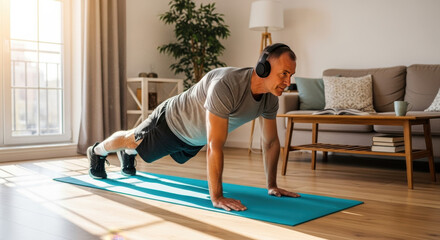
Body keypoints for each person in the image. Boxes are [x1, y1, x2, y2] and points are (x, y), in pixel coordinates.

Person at [87, 43, 301, 211]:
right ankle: (97, 151)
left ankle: (129, 153)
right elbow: (214, 144)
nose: (288, 81)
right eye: (284, 73)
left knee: (142, 149)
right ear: (263, 68)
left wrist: (271, 185)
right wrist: (216, 197)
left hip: (192, 138)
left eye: (290, 75)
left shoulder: (270, 98)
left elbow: (271, 142)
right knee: (132, 138)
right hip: (172, 120)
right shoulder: (226, 84)